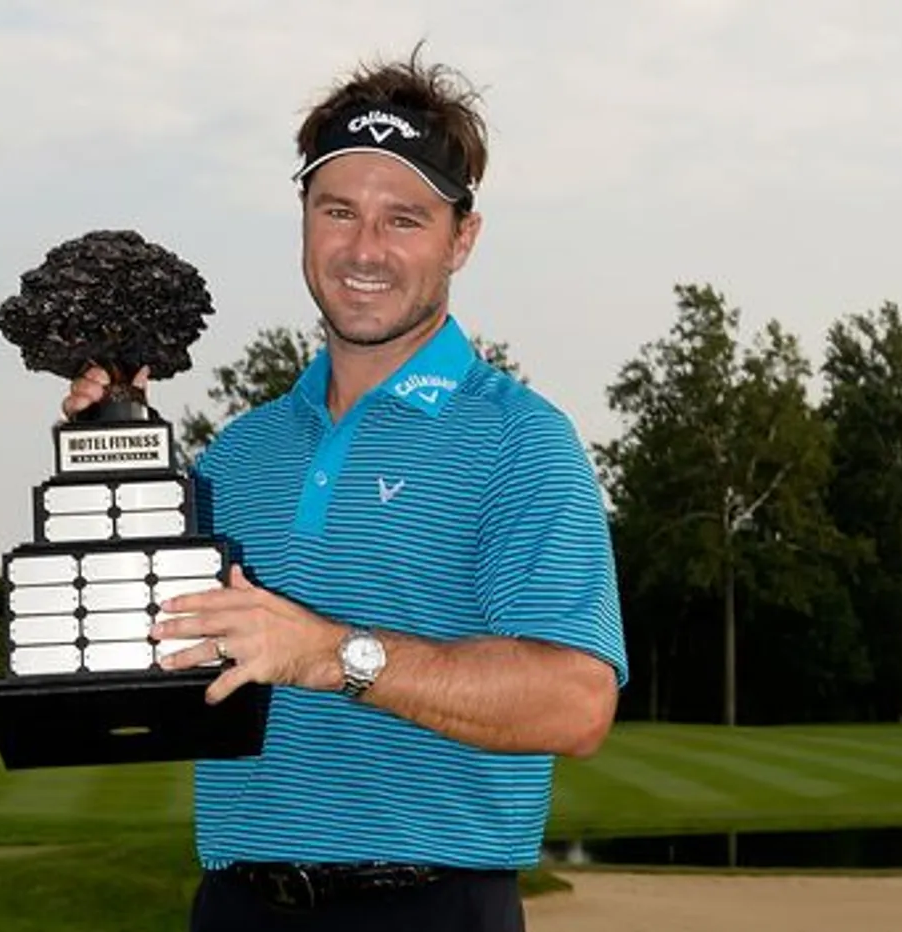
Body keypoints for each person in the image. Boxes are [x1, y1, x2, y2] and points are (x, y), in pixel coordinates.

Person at [62, 46, 628, 932]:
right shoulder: (237, 455)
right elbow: (156, 652)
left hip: (433, 908)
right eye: (338, 211)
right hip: (238, 907)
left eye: (404, 219)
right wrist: (116, 463)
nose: (365, 249)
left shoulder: (521, 442)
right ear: (304, 219)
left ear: (462, 239)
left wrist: (335, 655)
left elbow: (577, 700)